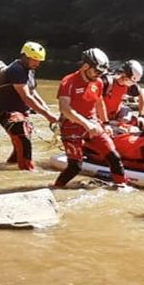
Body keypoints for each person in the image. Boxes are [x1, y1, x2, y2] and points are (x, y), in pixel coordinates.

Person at [53, 48, 128, 187]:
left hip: (93, 122)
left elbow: (99, 103)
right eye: (96, 71)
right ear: (86, 66)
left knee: (114, 157)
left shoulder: (98, 82)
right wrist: (86, 124)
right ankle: (55, 188)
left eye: (101, 73)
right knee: (75, 167)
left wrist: (105, 123)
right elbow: (65, 109)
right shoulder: (68, 82)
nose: (98, 75)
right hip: (71, 126)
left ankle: (121, 186)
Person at [0, 41, 57, 171]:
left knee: (19, 145)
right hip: (7, 113)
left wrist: (47, 109)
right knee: (24, 140)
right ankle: (28, 172)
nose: (37, 64)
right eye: (34, 60)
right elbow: (26, 97)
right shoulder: (16, 70)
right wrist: (48, 116)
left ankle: (9, 168)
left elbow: (33, 92)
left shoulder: (29, 69)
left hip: (20, 112)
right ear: (25, 57)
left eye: (39, 61)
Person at [103, 60, 144, 130]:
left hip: (117, 114)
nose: (132, 83)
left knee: (138, 124)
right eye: (131, 81)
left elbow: (142, 97)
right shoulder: (107, 83)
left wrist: (141, 116)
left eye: (134, 82)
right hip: (102, 117)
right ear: (124, 74)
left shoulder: (131, 85)